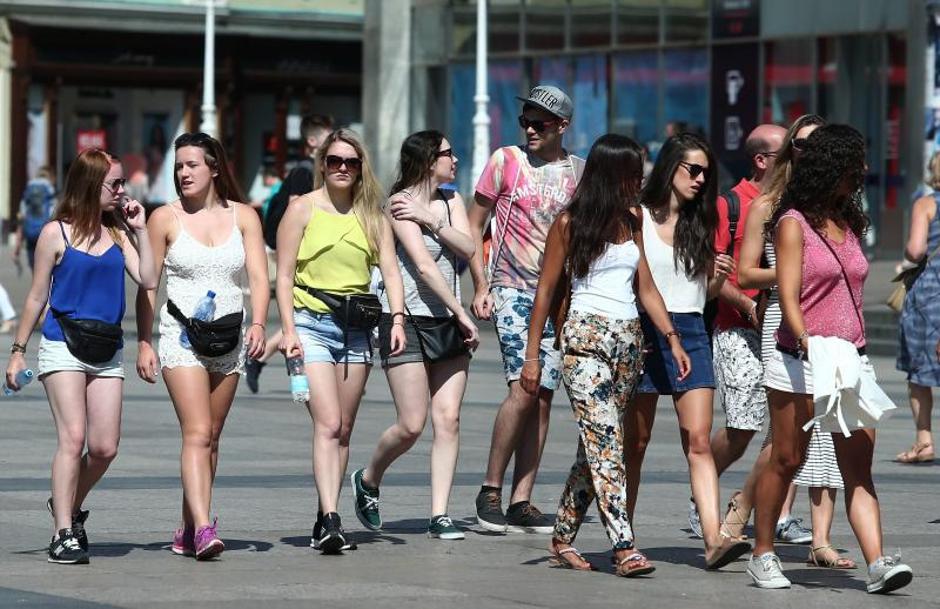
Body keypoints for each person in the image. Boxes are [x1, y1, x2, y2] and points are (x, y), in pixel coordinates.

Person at [746, 124, 913, 593]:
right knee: (786, 458)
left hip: (850, 358)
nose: (862, 170)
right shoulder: (792, 223)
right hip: (799, 356)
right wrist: (805, 341)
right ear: (831, 165)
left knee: (858, 465)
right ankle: (762, 553)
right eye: (854, 161)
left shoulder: (850, 222)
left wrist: (847, 352)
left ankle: (878, 563)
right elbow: (790, 295)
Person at [520, 134, 691, 576]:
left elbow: (646, 287)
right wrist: (533, 356)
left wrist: (671, 338)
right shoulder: (569, 223)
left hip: (629, 342)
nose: (641, 179)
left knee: (595, 447)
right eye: (634, 172)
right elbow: (545, 293)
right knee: (608, 444)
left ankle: (561, 537)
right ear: (612, 173)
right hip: (584, 340)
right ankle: (623, 546)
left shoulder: (633, 219)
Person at [5, 149, 156, 564]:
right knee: (72, 439)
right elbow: (37, 296)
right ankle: (63, 533)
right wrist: (17, 353)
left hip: (107, 347)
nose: (123, 190)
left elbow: (148, 278)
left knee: (105, 447)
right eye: (116, 184)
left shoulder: (120, 233)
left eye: (123, 183)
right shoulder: (57, 233)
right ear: (92, 185)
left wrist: (141, 230)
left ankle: (66, 504)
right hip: (63, 344)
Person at [135, 132, 269, 561]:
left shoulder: (245, 216)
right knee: (195, 432)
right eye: (179, 166)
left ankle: (188, 528)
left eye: (191, 164)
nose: (183, 173)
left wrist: (262, 323)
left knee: (211, 436)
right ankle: (206, 526)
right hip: (181, 337)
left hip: (229, 337)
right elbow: (148, 286)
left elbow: (260, 278)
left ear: (214, 168)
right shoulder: (164, 219)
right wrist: (143, 340)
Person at [622, 132, 752, 570]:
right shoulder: (636, 217)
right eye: (692, 170)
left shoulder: (703, 223)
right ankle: (626, 537)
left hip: (693, 330)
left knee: (698, 440)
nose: (700, 180)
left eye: (705, 173)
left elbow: (704, 294)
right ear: (670, 167)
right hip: (644, 331)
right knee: (634, 444)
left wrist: (718, 277)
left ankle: (713, 538)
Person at [276, 128, 406, 554]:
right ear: (323, 165)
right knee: (328, 423)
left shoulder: (372, 215)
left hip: (356, 332)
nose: (343, 168)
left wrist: (398, 319)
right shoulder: (301, 210)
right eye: (335, 161)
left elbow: (390, 269)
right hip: (311, 324)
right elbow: (284, 274)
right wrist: (288, 330)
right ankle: (332, 518)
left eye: (351, 162)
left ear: (361, 167)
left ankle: (322, 515)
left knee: (344, 430)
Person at [737, 115, 853, 568]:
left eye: (818, 145)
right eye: (801, 145)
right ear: (790, 150)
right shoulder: (769, 205)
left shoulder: (839, 208)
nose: (810, 153)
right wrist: (791, 272)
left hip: (831, 327)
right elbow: (746, 273)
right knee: (786, 442)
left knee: (827, 432)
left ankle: (820, 539)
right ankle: (744, 512)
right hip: (782, 328)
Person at [351, 130, 479, 541]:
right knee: (411, 424)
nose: (454, 160)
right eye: (448, 153)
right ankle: (368, 478)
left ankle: (439, 513)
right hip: (405, 318)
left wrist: (433, 219)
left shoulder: (451, 200)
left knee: (449, 419)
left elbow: (469, 248)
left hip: (447, 322)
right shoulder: (398, 203)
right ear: (428, 160)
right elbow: (423, 266)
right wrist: (462, 311)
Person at [467, 85, 585, 534]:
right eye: (526, 122)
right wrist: (480, 284)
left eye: (541, 123)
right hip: (512, 288)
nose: (531, 129)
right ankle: (489, 490)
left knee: (543, 396)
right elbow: (473, 225)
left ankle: (522, 498)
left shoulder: (579, 172)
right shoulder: (506, 162)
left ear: (562, 126)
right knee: (524, 384)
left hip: (558, 297)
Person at [247, 114, 335, 393]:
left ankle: (262, 358)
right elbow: (295, 212)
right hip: (300, 253)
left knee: (307, 312)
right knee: (305, 311)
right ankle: (263, 357)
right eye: (327, 137)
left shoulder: (315, 171)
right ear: (312, 141)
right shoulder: (304, 172)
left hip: (312, 254)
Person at [895, 150, 940, 464]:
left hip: (930, 295)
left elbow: (915, 249)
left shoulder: (926, 204)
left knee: (920, 373)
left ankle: (924, 441)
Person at [13, 166, 57, 271]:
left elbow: (22, 218)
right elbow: (54, 214)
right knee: (47, 272)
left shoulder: (29, 190)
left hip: (30, 235)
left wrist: (17, 248)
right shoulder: (50, 191)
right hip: (45, 234)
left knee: (35, 270)